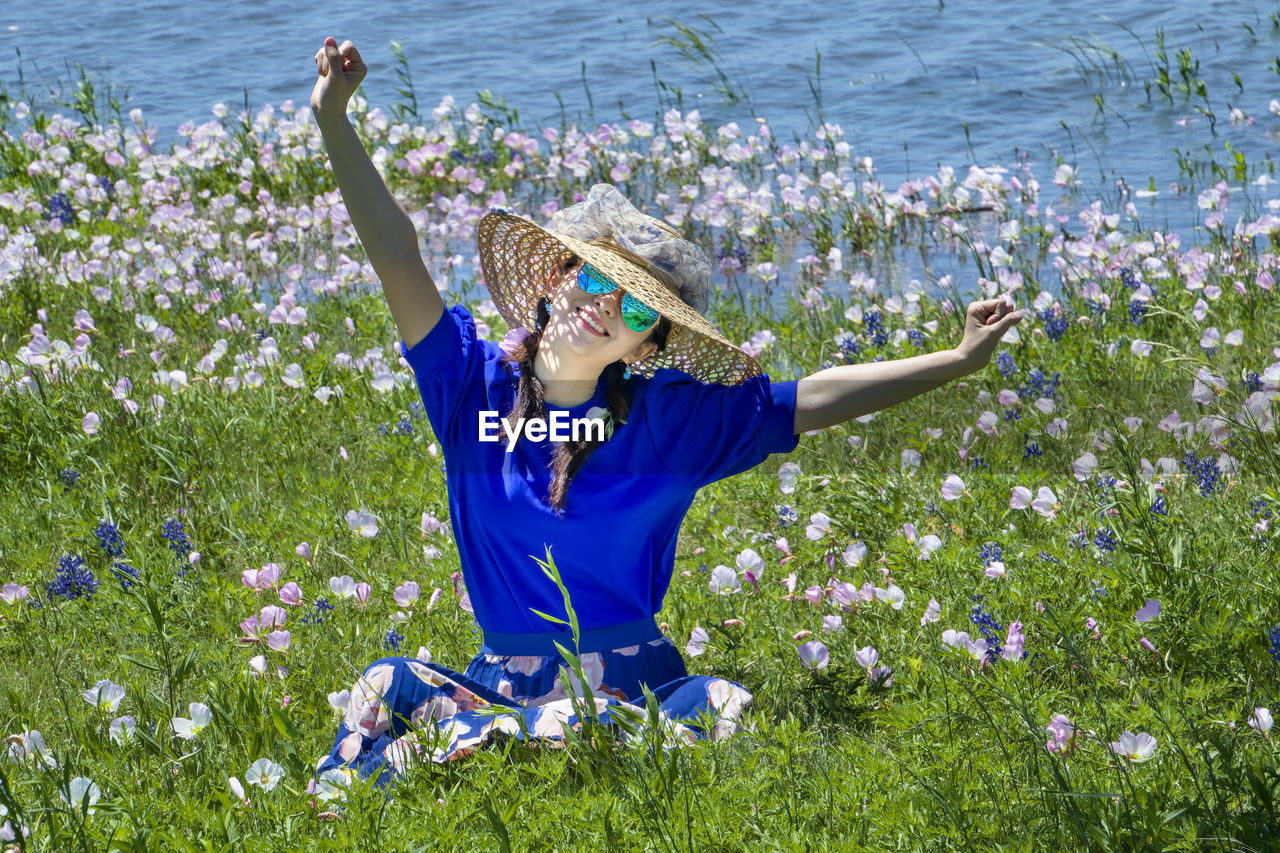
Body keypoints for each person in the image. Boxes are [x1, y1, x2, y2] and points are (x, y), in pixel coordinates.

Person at [307, 37, 1023, 788]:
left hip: (633, 687)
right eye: (593, 274)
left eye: (639, 304)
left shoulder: (670, 423)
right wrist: (334, 120)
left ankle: (503, 747)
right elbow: (398, 257)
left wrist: (958, 359)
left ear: (648, 342)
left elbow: (810, 399)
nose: (605, 305)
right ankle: (506, 738)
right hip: (502, 684)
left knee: (719, 700)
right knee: (386, 682)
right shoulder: (469, 388)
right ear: (556, 277)